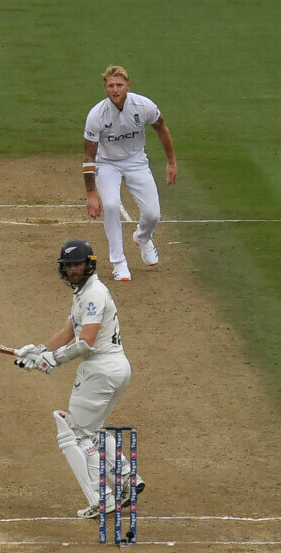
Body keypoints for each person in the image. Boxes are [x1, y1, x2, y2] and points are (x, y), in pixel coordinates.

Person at [14, 239, 145, 518]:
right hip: (116, 368)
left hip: (100, 369)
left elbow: (86, 342)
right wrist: (38, 351)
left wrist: (54, 359)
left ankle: (102, 497)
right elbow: (67, 333)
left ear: (89, 265)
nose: (73, 270)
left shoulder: (94, 293)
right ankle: (126, 477)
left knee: (74, 433)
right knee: (91, 430)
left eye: (77, 265)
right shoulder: (83, 293)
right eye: (69, 266)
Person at [83, 65, 177, 282]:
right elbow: (89, 156)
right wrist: (91, 194)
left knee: (152, 214)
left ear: (128, 86)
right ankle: (119, 263)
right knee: (111, 205)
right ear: (105, 88)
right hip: (107, 163)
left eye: (119, 85)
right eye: (111, 86)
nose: (115, 90)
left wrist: (171, 162)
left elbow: (161, 129)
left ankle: (142, 237)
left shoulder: (144, 105)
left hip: (136, 161)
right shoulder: (97, 115)